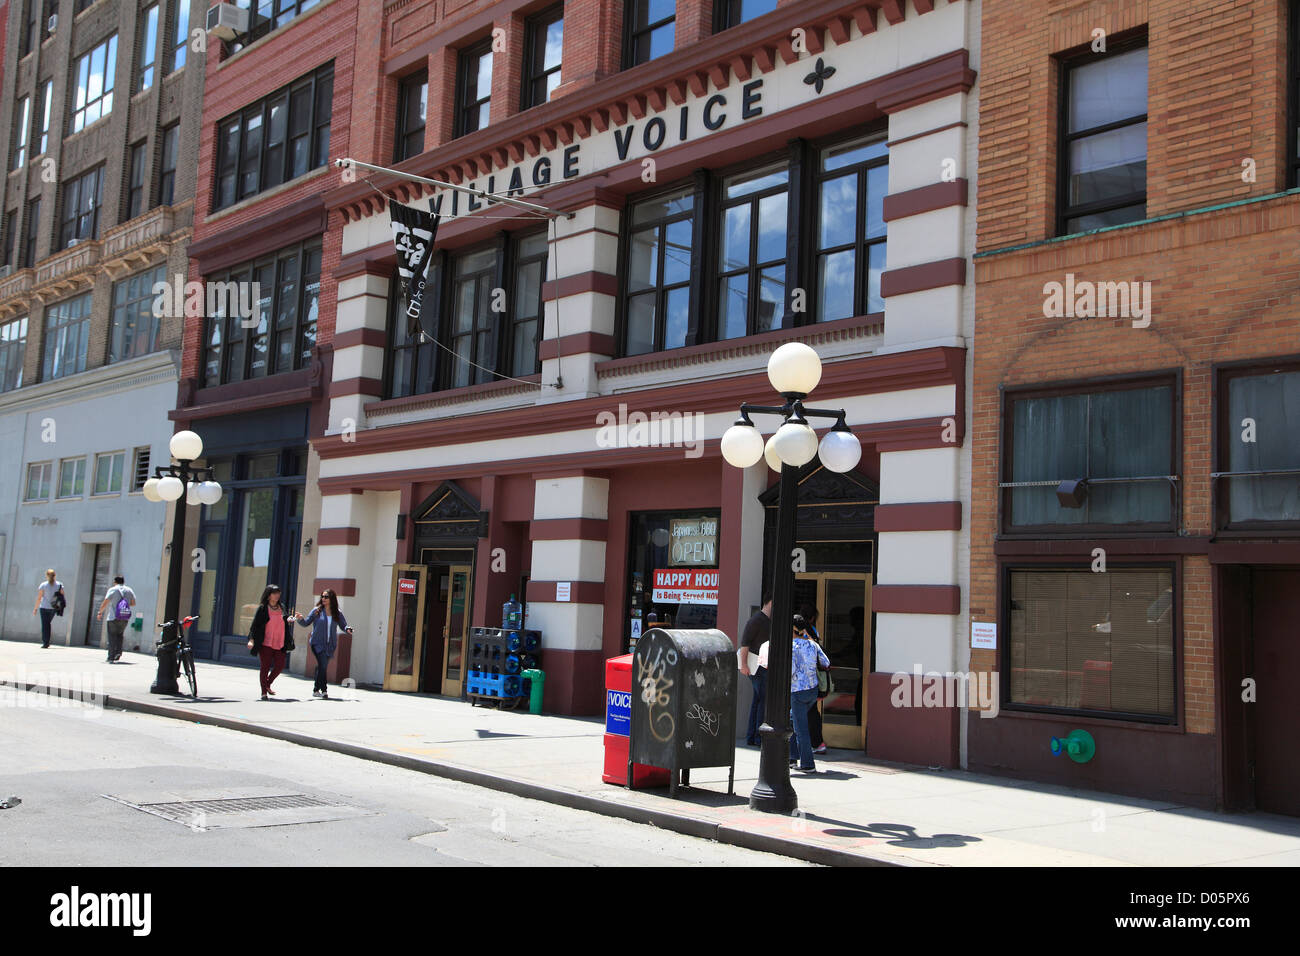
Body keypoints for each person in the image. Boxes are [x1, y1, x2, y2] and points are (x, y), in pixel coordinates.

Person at [293, 588, 353, 699]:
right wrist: (300, 619)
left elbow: (343, 625)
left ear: (332, 599)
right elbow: (306, 623)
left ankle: (316, 689)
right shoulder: (317, 611)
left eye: (326, 597)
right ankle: (324, 690)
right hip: (317, 643)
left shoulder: (337, 612)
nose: (323, 599)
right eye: (322, 596)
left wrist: (347, 629)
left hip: (330, 645)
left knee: (322, 666)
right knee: (323, 665)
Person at [788, 613, 830, 774]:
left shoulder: (792, 646)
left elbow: (791, 671)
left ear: (792, 628)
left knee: (801, 729)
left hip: (797, 691)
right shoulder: (812, 645)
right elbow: (826, 662)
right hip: (812, 691)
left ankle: (807, 764)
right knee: (792, 720)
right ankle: (792, 757)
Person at [247, 584, 293, 701]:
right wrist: (251, 640)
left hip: (280, 642)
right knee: (265, 667)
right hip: (266, 643)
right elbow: (255, 626)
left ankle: (267, 684)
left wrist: (291, 619)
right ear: (268, 595)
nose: (277, 595)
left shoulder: (282, 607)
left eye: (278, 593)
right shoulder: (263, 608)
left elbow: (285, 620)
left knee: (280, 665)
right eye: (274, 593)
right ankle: (263, 692)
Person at [737, 594, 772, 747]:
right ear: (771, 602)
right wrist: (744, 665)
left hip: (760, 666)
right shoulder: (757, 620)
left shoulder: (766, 620)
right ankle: (758, 737)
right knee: (762, 700)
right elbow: (745, 643)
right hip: (756, 666)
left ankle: (752, 736)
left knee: (758, 701)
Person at [800, 604, 827, 755]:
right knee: (811, 712)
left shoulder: (803, 635)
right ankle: (816, 743)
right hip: (812, 678)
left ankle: (814, 743)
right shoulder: (813, 632)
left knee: (806, 713)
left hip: (802, 681)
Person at [96, 575, 136, 663]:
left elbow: (105, 602)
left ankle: (111, 656)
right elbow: (133, 603)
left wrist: (100, 612)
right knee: (120, 635)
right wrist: (124, 604)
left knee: (112, 637)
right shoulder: (129, 590)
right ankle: (118, 653)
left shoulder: (113, 589)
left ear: (115, 582)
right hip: (124, 617)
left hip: (113, 617)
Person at [32, 569, 64, 648]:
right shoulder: (59, 584)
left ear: (46, 576)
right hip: (53, 607)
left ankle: (46, 642)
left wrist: (35, 608)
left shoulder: (43, 585)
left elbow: (39, 598)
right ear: (55, 575)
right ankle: (46, 641)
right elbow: (62, 595)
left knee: (45, 624)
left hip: (44, 607)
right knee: (47, 624)